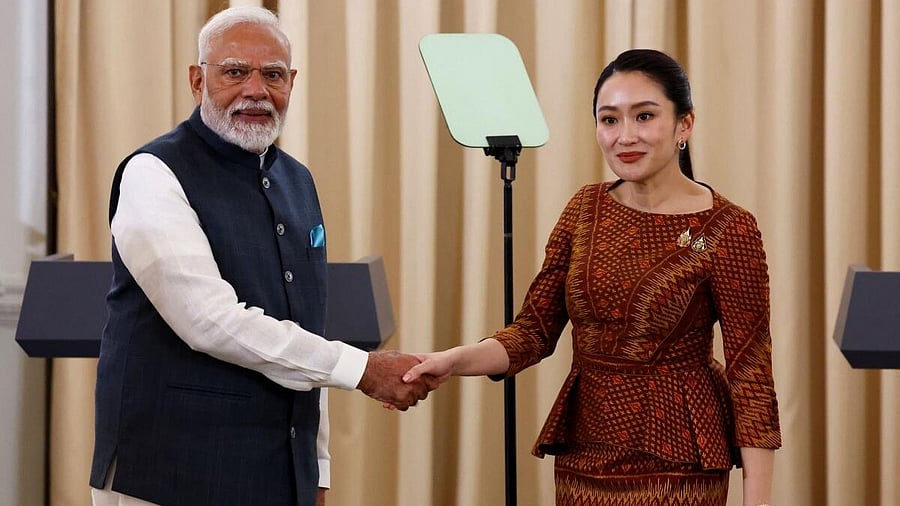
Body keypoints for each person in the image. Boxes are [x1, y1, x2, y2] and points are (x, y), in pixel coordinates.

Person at [403, 49, 781, 506]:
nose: (625, 136)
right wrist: (453, 360)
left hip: (679, 458)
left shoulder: (726, 228)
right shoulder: (585, 208)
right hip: (586, 451)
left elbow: (751, 375)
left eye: (644, 116)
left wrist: (756, 501)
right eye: (609, 120)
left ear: (685, 125)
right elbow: (534, 331)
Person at [89, 6, 433, 506]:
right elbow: (207, 320)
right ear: (196, 79)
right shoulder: (153, 172)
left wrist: (315, 469)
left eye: (272, 74)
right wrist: (363, 370)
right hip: (166, 473)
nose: (256, 90)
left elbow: (305, 325)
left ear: (291, 82)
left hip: (276, 476)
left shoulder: (298, 180)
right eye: (234, 71)